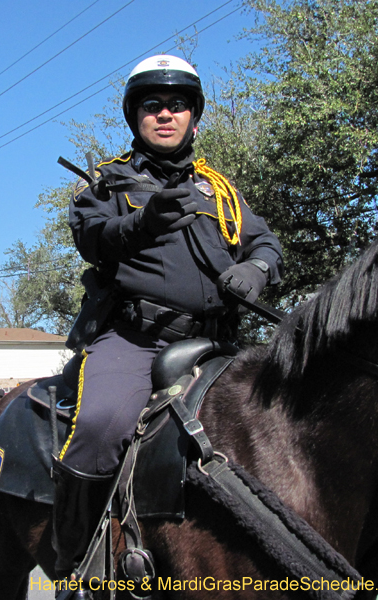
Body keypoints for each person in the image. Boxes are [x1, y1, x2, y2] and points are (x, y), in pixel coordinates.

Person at [56, 55, 284, 579]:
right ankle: (76, 561)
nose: (165, 113)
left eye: (177, 104)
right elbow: (93, 239)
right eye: (152, 105)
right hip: (138, 341)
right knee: (100, 425)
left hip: (219, 346)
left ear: (194, 118)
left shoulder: (219, 190)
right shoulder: (107, 183)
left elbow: (266, 243)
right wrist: (142, 223)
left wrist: (255, 269)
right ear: (135, 116)